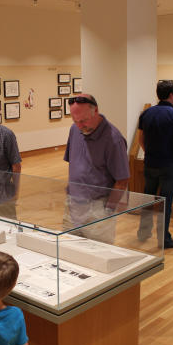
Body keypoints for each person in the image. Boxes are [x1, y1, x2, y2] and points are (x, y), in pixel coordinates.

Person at [63, 94, 130, 242]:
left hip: (98, 207)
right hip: (72, 204)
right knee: (69, 250)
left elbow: (122, 180)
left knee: (98, 255)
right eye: (75, 121)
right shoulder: (75, 130)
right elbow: (73, 165)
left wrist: (107, 212)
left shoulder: (113, 139)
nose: (80, 126)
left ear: (96, 111)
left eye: (84, 120)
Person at [137, 81, 173, 248]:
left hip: (150, 163)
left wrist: (150, 153)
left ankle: (143, 232)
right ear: (172, 95)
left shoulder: (146, 113)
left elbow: (141, 140)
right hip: (169, 165)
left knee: (147, 199)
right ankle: (163, 238)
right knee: (166, 202)